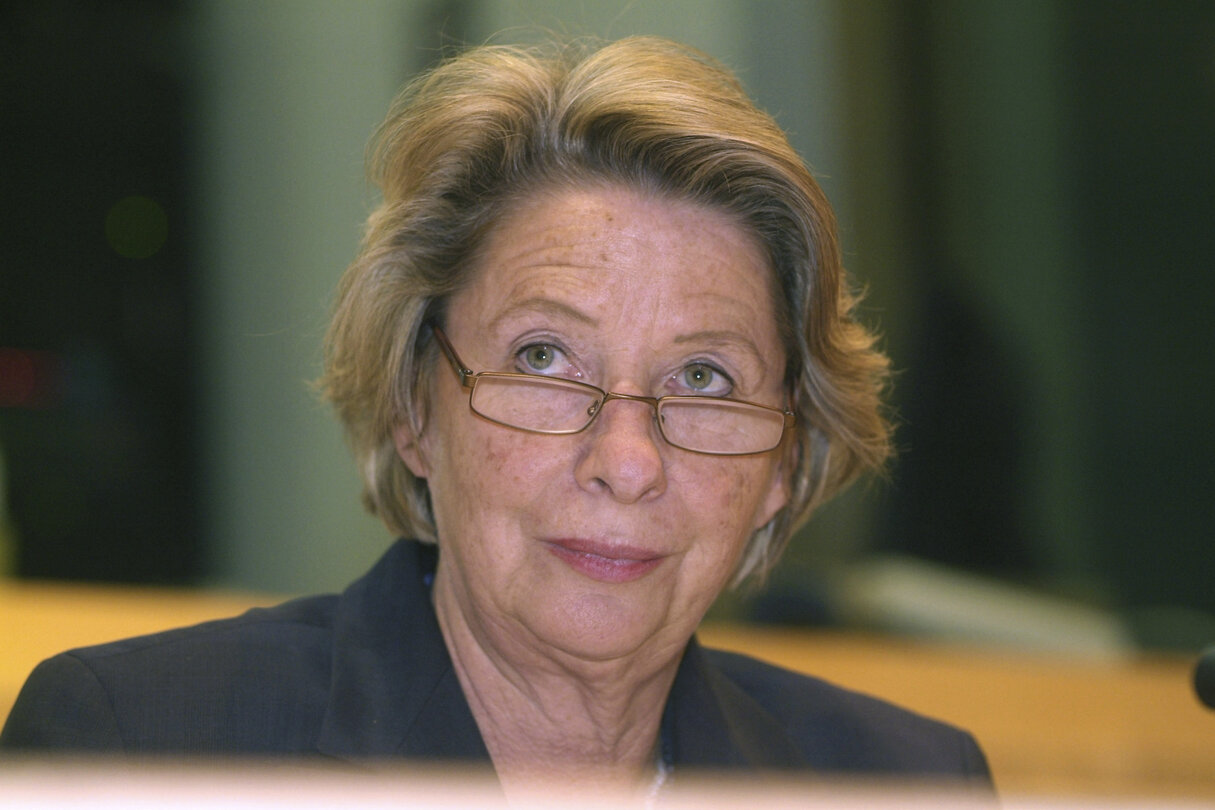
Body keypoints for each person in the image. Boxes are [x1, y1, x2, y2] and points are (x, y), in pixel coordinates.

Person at [1, 36, 991, 800]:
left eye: (702, 378)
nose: (628, 461)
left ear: (785, 457)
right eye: (545, 360)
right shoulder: (144, 746)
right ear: (413, 407)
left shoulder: (903, 786)